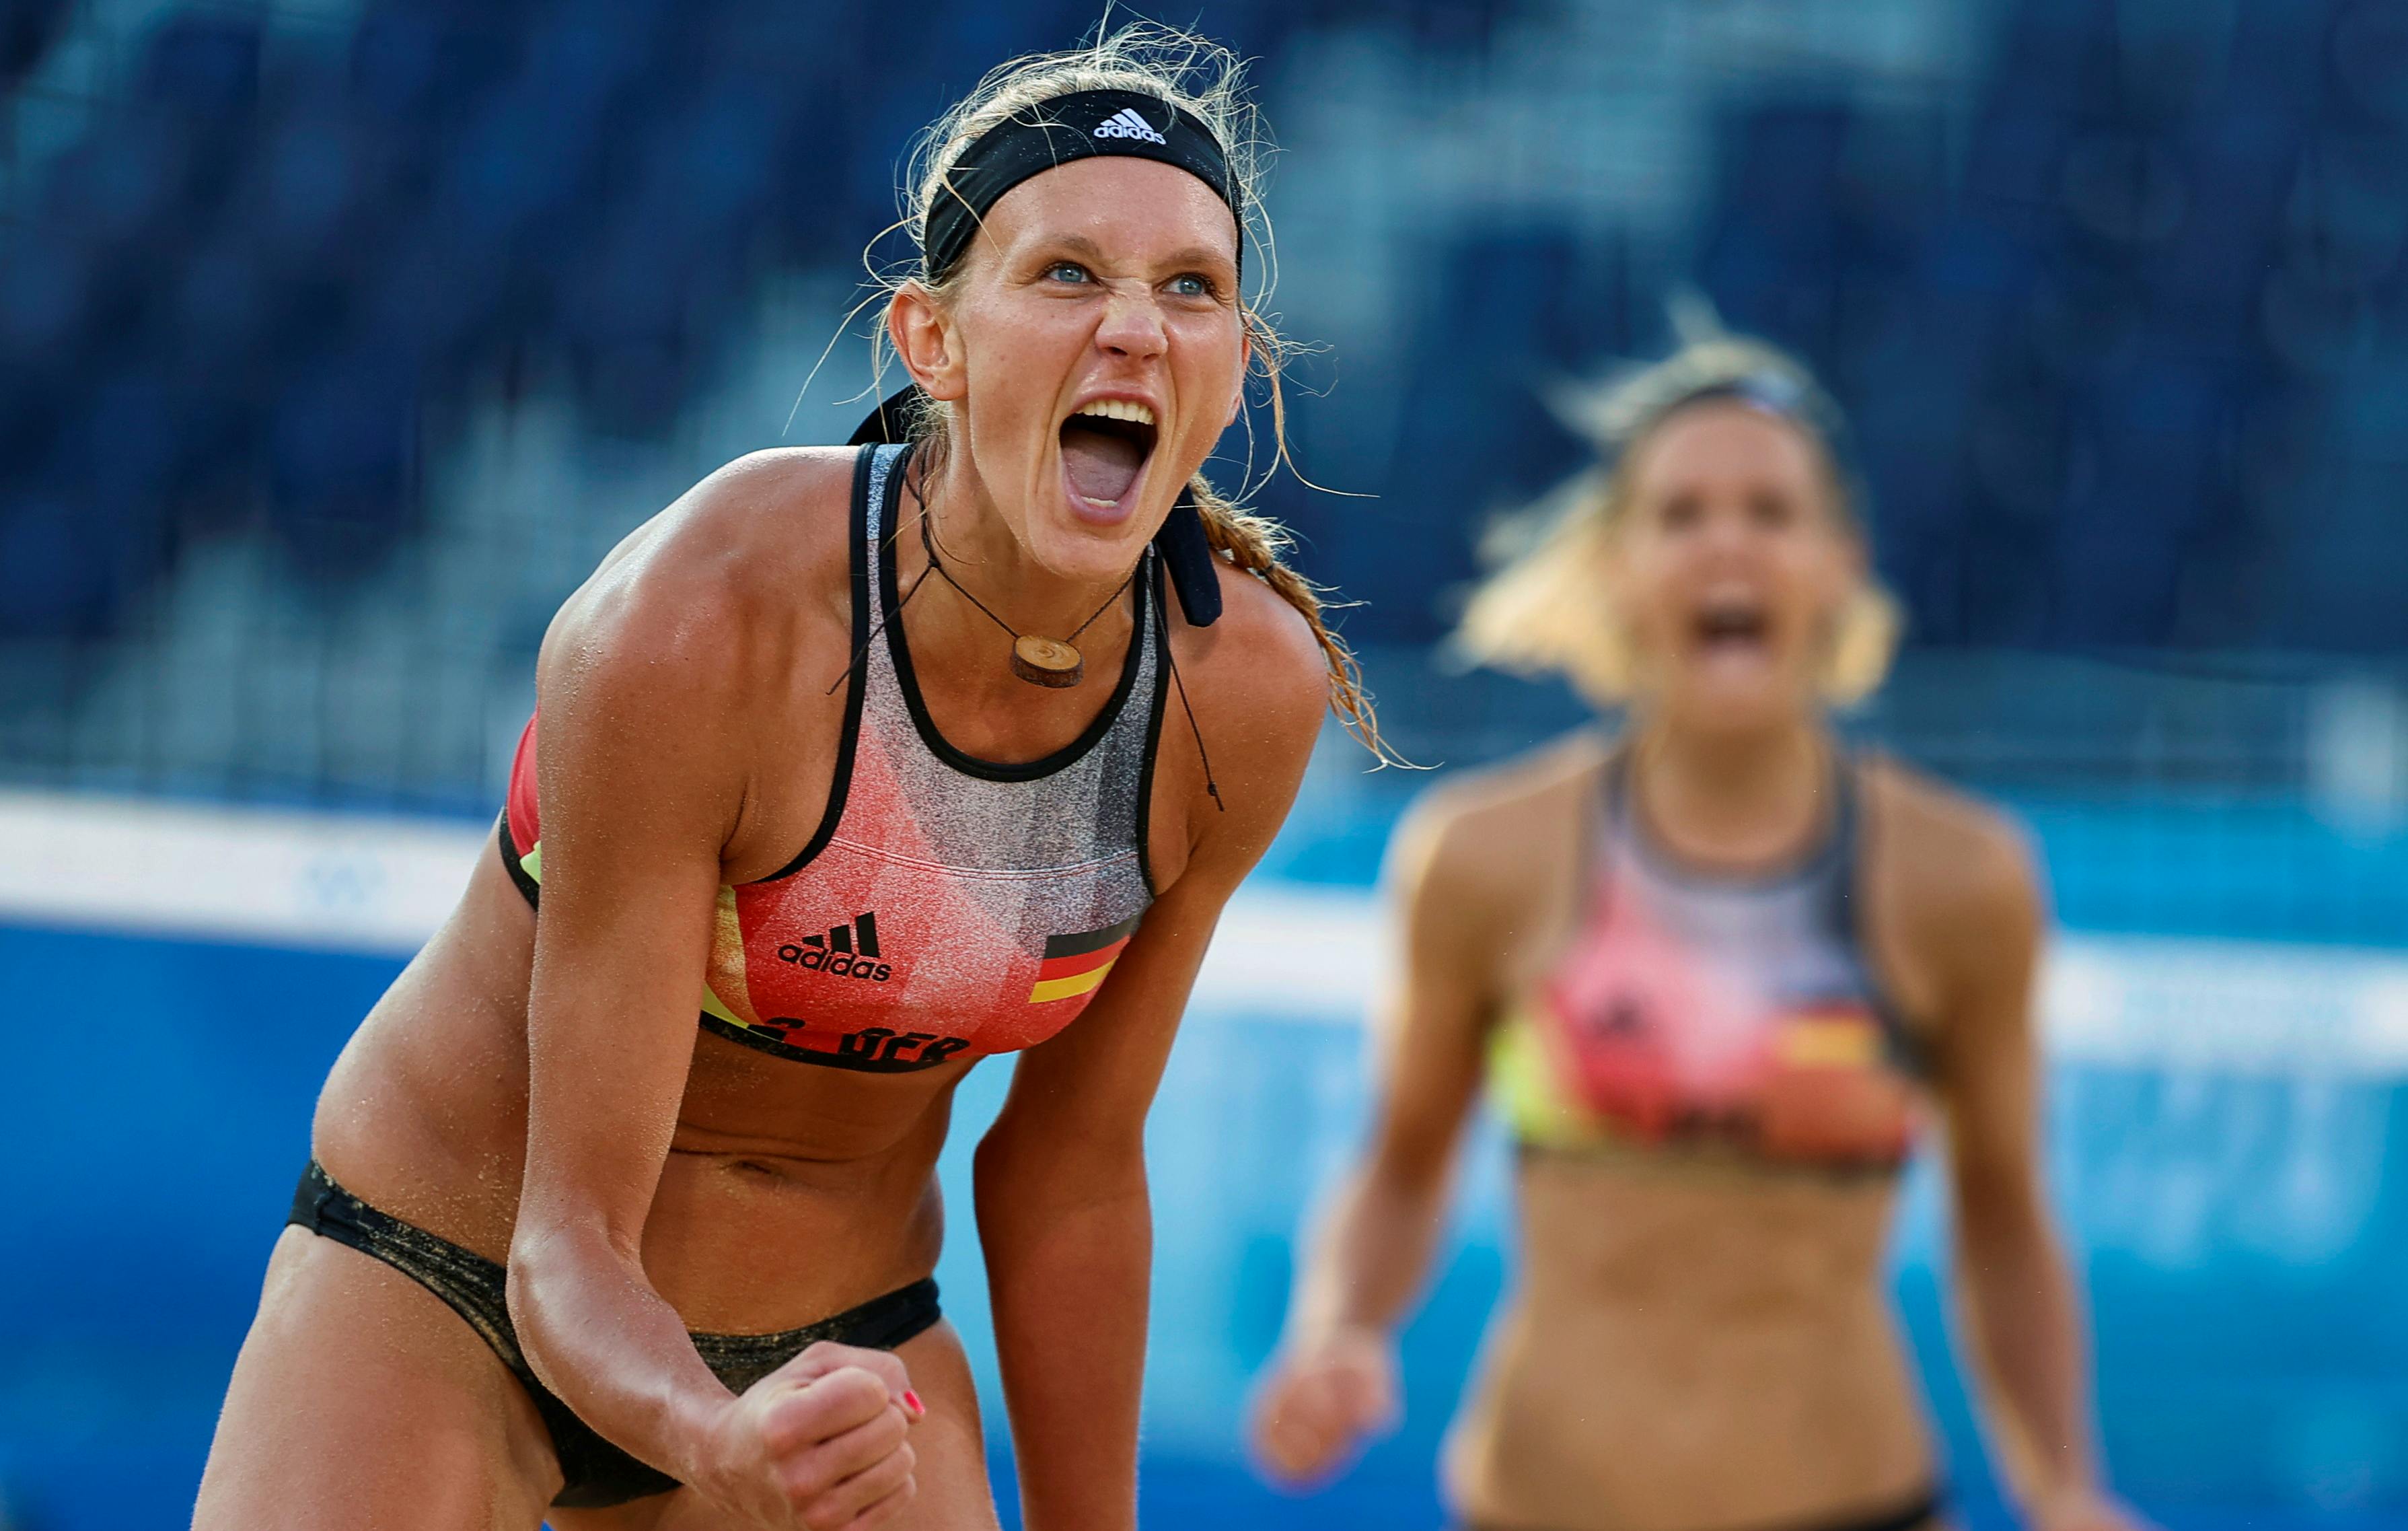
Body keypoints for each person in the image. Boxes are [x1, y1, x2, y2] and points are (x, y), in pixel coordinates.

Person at [194, 27, 1375, 1531]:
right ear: (931, 342)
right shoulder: (700, 625)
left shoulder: (1244, 693)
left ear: (1233, 371)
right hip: (459, 1279)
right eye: (1068, 273)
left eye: (1189, 287)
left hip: (836, 1347)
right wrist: (710, 1435)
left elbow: (1069, 1173)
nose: (1136, 328)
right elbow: (565, 1243)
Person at [1247, 324, 2137, 1531]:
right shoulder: (1480, 855)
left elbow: (2005, 1215)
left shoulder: (1962, 877)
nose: (1728, 542)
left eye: (1772, 511)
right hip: (1538, 1501)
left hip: (1861, 1499)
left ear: (1841, 562)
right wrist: (1337, 1328)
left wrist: (2066, 1489)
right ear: (1618, 565)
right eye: (1681, 514)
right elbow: (1401, 1164)